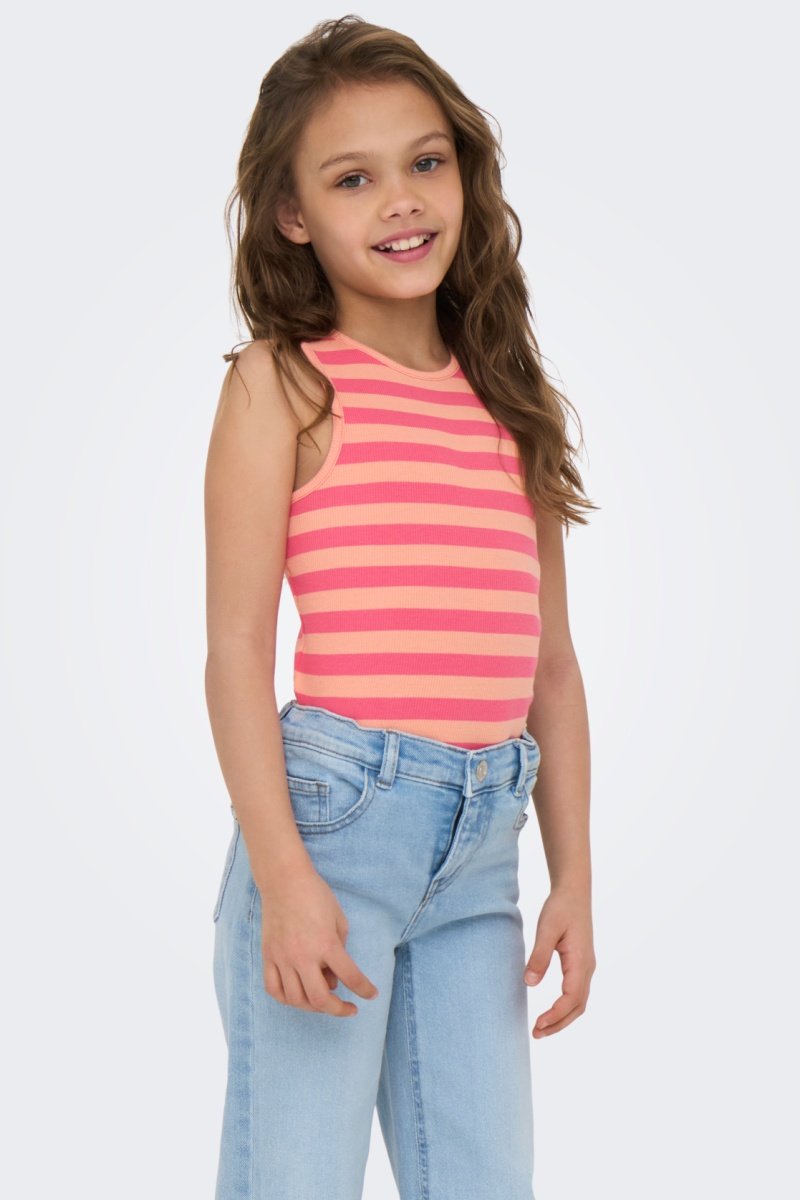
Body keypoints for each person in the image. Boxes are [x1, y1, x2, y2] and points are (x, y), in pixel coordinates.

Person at [204, 14, 597, 1200]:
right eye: (351, 179)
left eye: (424, 162)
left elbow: (551, 666)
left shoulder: (508, 399)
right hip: (332, 834)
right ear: (292, 214)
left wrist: (572, 876)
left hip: (481, 857)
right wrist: (284, 881)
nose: (400, 201)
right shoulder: (283, 384)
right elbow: (234, 652)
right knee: (295, 1179)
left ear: (464, 172)